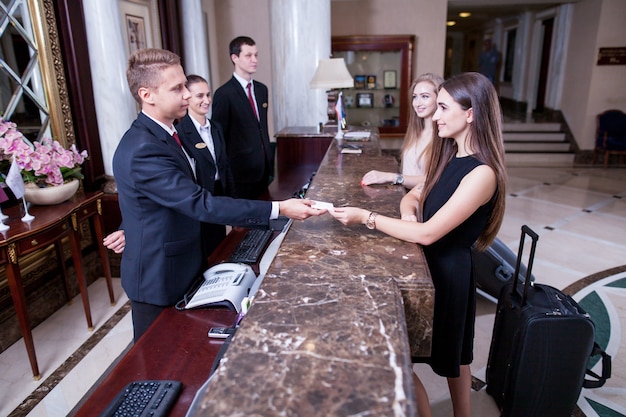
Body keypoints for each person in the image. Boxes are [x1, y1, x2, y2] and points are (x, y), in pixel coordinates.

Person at [113, 48, 325, 342]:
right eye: (177, 88)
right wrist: (278, 209)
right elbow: (199, 202)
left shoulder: (171, 132)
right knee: (158, 364)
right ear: (147, 94)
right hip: (159, 276)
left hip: (188, 259)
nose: (187, 95)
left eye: (185, 85)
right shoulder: (142, 149)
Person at [330, 72, 507, 417]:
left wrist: (366, 217)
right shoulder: (450, 154)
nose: (435, 115)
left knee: (435, 358)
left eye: (442, 107)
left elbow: (429, 234)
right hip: (428, 267)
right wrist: (409, 215)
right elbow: (413, 196)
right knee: (444, 356)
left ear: (470, 114)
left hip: (448, 275)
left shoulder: (482, 173)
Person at [176, 74, 237, 257]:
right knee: (205, 250)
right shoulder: (181, 132)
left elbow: (225, 166)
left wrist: (234, 202)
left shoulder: (216, 127)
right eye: (200, 96)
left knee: (221, 245)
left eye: (208, 95)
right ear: (188, 98)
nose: (206, 100)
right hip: (200, 198)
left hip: (220, 192)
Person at [212, 36, 272, 199]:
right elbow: (218, 136)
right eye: (248, 55)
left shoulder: (261, 90)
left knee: (265, 218)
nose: (254, 60)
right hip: (240, 172)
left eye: (256, 55)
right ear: (235, 58)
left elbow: (261, 128)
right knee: (244, 222)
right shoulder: (224, 94)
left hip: (263, 167)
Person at [361, 73, 444, 189]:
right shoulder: (415, 131)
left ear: (440, 99)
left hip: (424, 202)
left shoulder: (443, 137)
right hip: (406, 195)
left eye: (425, 96)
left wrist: (392, 177)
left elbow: (434, 179)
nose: (417, 103)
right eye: (415, 97)